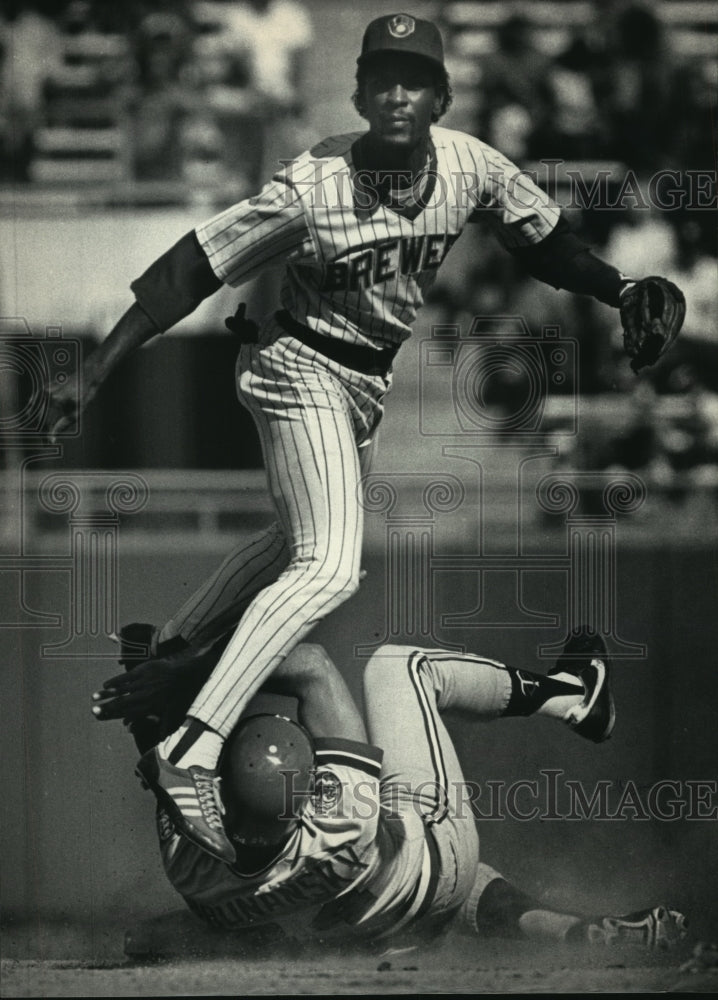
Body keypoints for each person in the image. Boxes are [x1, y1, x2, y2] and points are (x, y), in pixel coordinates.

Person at [45, 13, 685, 864]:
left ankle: (166, 648)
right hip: (294, 362)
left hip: (365, 385)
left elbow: (544, 241)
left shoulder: (469, 166)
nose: (395, 93)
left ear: (442, 97)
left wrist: (618, 286)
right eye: (380, 77)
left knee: (296, 545)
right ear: (356, 92)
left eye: (413, 79)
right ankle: (192, 747)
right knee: (333, 565)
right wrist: (96, 369)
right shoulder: (312, 184)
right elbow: (192, 265)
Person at [93, 626, 687, 952]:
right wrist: (192, 669)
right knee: (397, 667)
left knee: (163, 937)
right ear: (304, 803)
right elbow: (311, 666)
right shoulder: (340, 823)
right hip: (432, 870)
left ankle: (575, 934)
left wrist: (154, 713)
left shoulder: (187, 863)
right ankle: (573, 694)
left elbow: (174, 768)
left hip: (368, 933)